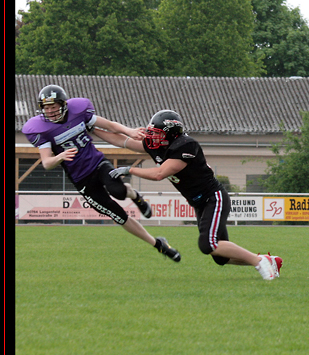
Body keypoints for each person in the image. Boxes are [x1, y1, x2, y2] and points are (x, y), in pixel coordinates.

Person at [102, 110, 281, 281]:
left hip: (213, 198)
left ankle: (259, 262)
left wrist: (129, 169)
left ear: (172, 135)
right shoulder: (158, 144)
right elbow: (122, 141)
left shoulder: (186, 146)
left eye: (157, 133)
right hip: (199, 202)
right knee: (220, 256)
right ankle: (268, 260)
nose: (152, 137)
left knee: (209, 245)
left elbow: (159, 174)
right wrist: (92, 129)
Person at [22, 84, 182, 262]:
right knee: (118, 216)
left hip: (97, 163)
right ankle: (158, 244)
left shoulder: (79, 111)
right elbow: (47, 163)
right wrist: (60, 156)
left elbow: (109, 125)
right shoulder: (40, 128)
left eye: (53, 106)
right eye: (46, 107)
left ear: (63, 104)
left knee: (118, 191)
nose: (50, 111)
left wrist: (129, 131)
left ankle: (135, 196)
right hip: (81, 179)